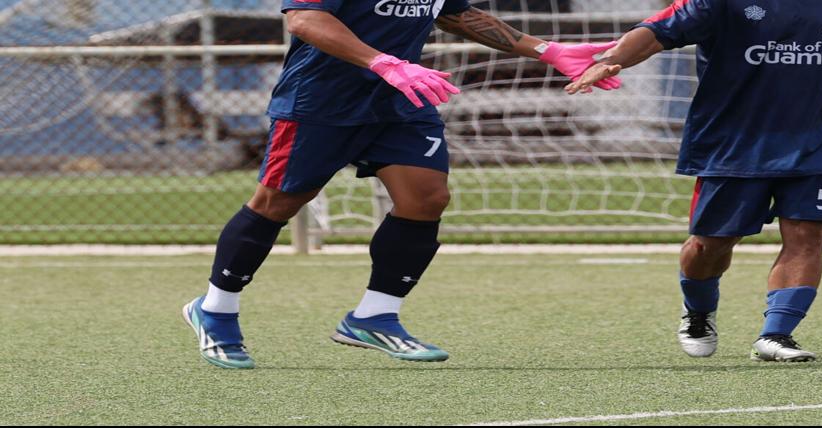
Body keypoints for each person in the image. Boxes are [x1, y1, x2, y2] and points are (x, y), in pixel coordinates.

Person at [184, 0, 619, 369]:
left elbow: (457, 15)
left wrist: (547, 50)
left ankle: (375, 316)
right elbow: (304, 19)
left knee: (427, 198)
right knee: (276, 204)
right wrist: (383, 62)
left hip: (401, 99)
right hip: (320, 103)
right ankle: (216, 310)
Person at [565, 0, 822, 362]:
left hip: (821, 140)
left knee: (809, 234)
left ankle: (776, 335)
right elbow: (656, 32)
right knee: (710, 246)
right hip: (733, 144)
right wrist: (611, 60)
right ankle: (698, 311)